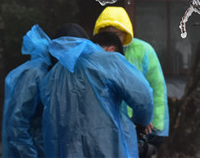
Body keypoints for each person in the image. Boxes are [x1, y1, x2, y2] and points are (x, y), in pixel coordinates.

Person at [40, 23, 154, 158]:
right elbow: (143, 95)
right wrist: (142, 123)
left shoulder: (51, 77)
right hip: (111, 149)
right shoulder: (108, 61)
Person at [93, 6, 169, 148]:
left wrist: (157, 127)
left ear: (125, 33)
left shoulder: (143, 51)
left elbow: (157, 88)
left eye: (116, 33)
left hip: (140, 126)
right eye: (106, 33)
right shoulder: (94, 54)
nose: (112, 37)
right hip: (105, 127)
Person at [2, 25, 51, 158]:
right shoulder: (35, 73)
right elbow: (17, 120)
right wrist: (29, 154)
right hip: (33, 148)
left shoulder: (40, 71)